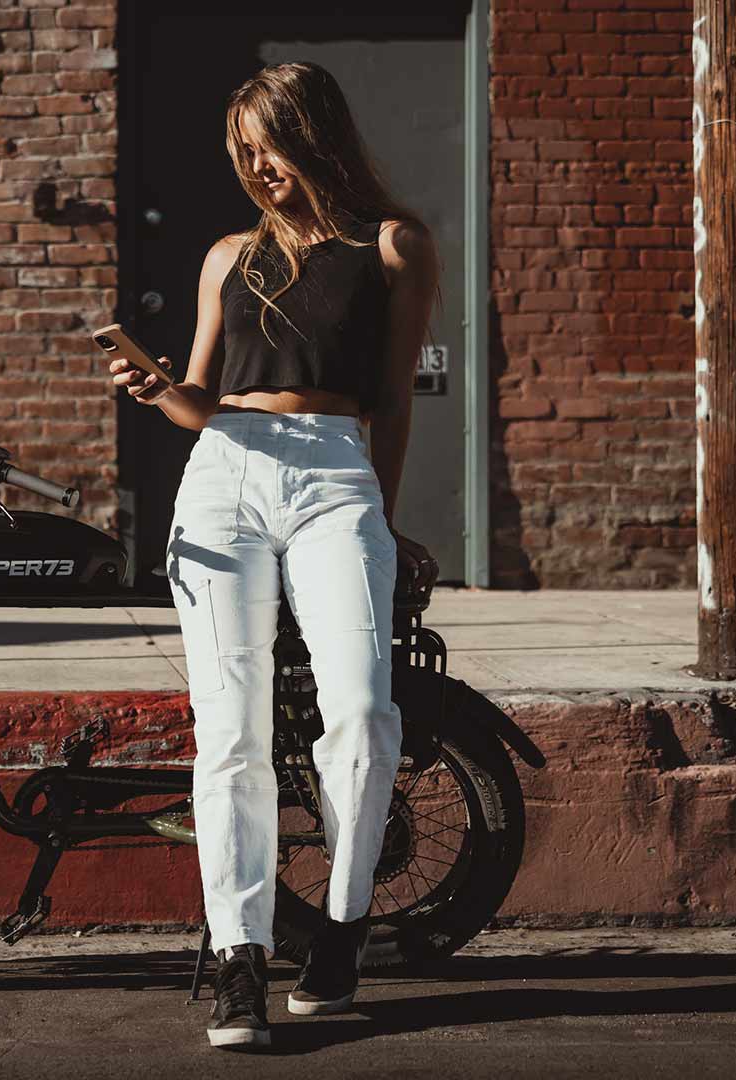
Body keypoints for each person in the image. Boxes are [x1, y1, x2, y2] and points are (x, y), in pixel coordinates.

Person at [106, 61, 441, 1050]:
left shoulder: (392, 246)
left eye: (269, 144)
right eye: (242, 152)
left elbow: (390, 404)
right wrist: (151, 382)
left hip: (335, 478)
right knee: (232, 731)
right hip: (224, 477)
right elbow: (199, 399)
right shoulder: (224, 258)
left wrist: (382, 516)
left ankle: (341, 926)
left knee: (364, 715)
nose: (257, 167)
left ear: (315, 134)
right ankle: (238, 956)